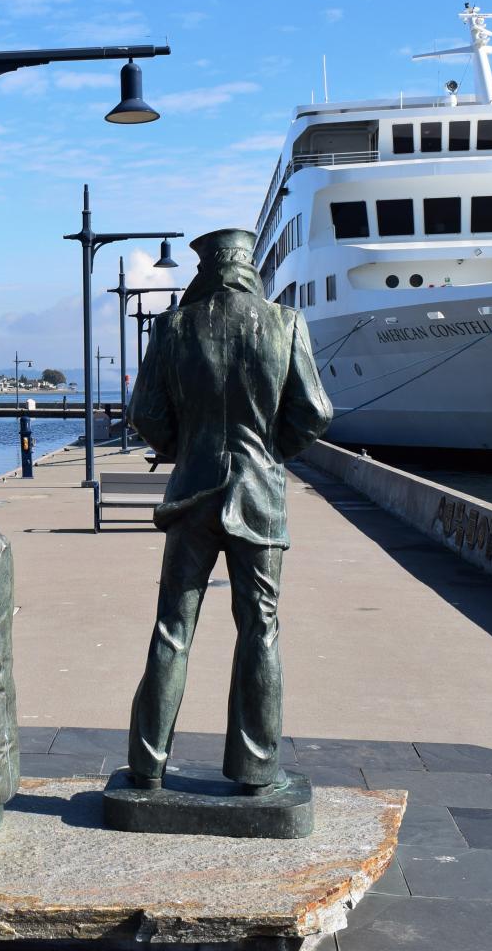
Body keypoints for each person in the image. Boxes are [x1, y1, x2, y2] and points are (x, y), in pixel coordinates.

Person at [124, 228, 333, 794]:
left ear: (206, 268)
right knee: (260, 629)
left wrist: (183, 448)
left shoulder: (172, 327)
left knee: (173, 629)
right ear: (248, 267)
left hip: (192, 493)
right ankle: (256, 767)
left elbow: (144, 411)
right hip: (259, 498)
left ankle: (147, 764)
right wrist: (267, 453)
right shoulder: (285, 324)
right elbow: (315, 411)